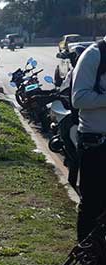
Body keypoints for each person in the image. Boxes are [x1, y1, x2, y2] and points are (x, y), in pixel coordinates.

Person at [71, 36, 106, 250]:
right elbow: (79, 98)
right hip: (95, 142)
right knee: (93, 202)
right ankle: (87, 253)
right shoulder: (94, 55)